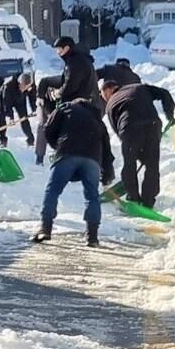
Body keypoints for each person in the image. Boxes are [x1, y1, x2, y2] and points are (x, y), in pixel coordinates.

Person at [32, 93, 115, 248]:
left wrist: (57, 146)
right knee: (92, 197)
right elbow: (107, 149)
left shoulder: (66, 107)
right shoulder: (98, 121)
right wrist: (107, 173)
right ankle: (92, 237)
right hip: (92, 160)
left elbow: (49, 128)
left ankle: (45, 228)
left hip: (67, 153)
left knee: (53, 191)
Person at [99, 65, 175, 208]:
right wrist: (170, 115)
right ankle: (148, 201)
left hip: (129, 128)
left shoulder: (111, 103)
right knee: (152, 164)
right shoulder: (139, 87)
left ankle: (133, 198)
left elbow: (118, 130)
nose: (104, 99)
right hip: (153, 124)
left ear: (108, 90)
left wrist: (135, 151)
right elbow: (164, 93)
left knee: (130, 164)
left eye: (103, 95)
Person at [52, 32, 101, 107]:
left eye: (59, 49)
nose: (57, 52)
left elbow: (71, 85)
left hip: (81, 105)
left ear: (66, 48)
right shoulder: (79, 58)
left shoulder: (74, 62)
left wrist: (59, 93)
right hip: (89, 101)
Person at [0, 70, 35, 148]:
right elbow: (6, 104)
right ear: (19, 83)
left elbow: (32, 98)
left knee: (24, 117)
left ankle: (30, 140)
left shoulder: (31, 86)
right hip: (6, 98)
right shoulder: (8, 86)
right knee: (2, 115)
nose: (23, 89)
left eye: (26, 88)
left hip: (20, 99)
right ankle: (2, 139)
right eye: (22, 87)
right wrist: (10, 117)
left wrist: (34, 109)